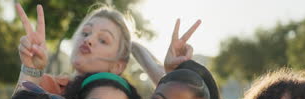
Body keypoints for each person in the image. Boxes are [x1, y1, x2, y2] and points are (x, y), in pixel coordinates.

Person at [14, 3, 200, 94]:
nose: (89, 40)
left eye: (103, 40)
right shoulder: (48, 87)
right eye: (85, 33)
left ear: (119, 66)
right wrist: (32, 68)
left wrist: (167, 72)